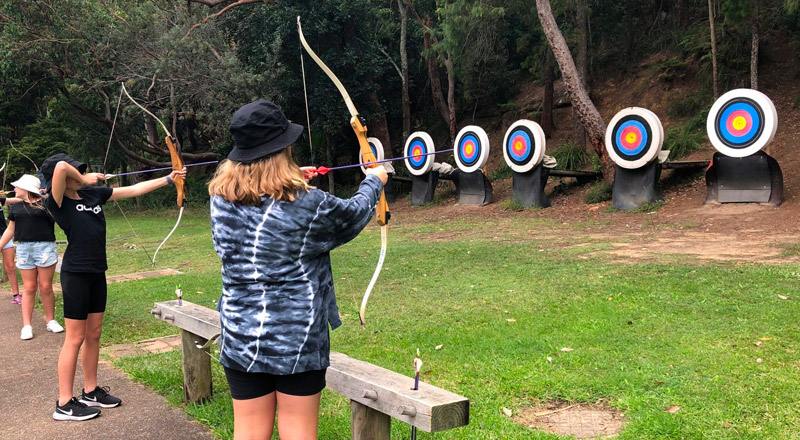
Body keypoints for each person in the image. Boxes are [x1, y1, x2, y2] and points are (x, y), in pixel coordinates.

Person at [208, 99, 387, 440]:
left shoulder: (219, 198)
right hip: (297, 338)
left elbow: (262, 199)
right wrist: (375, 179)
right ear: (281, 151)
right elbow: (352, 214)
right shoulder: (308, 204)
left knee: (247, 431)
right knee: (298, 431)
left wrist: (289, 180)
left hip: (240, 333)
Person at [42, 153, 186, 421]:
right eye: (76, 172)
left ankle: (91, 390)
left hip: (98, 272)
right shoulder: (56, 201)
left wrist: (169, 179)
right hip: (76, 274)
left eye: (80, 170)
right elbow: (61, 167)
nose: (78, 174)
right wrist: (84, 178)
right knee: (75, 338)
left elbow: (133, 189)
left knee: (94, 333)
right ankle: (63, 403)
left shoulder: (93, 195)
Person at [0, 174, 62, 340]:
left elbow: (57, 193)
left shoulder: (46, 205)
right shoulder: (16, 208)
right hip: (24, 249)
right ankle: (27, 325)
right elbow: (11, 230)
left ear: (27, 189)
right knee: (28, 287)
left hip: (45, 248)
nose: (14, 189)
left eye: (17, 187)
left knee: (46, 286)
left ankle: (51, 321)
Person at [0, 192, 22, 305]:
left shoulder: (0, 200)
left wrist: (29, 197)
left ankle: (16, 295)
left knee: (10, 266)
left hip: (4, 235)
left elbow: (14, 200)